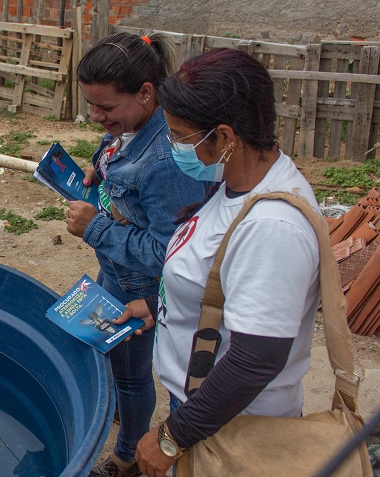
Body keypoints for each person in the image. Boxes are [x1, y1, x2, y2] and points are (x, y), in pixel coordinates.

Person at [116, 48, 321, 477]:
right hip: (204, 411)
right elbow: (223, 283)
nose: (173, 147)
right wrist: (161, 307)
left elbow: (256, 359)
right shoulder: (237, 185)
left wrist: (174, 435)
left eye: (180, 137)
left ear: (225, 138)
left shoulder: (273, 227)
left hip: (238, 430)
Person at [65, 33, 209, 477]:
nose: (96, 116)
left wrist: (96, 228)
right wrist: (98, 170)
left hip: (141, 288)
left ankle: (126, 456)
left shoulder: (166, 160)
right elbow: (117, 160)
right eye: (91, 105)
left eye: (105, 108)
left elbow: (171, 253)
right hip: (114, 272)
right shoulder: (131, 130)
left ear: (146, 93)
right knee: (103, 352)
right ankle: (121, 414)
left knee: (130, 374)